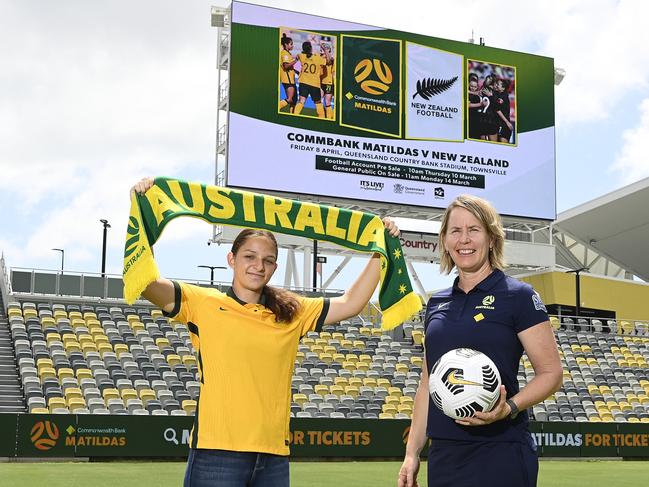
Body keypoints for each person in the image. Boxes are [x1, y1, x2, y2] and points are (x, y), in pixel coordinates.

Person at [130, 177, 399, 487]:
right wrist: (142, 211)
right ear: (231, 259)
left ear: (274, 267)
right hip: (217, 452)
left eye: (268, 260)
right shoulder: (203, 302)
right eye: (249, 257)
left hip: (273, 455)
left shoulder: (292, 310)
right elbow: (146, 284)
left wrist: (382, 249)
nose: (258, 266)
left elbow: (351, 303)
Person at [398, 194, 562, 487]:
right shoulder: (436, 302)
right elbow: (426, 384)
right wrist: (412, 453)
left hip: (502, 451)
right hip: (445, 455)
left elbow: (551, 373)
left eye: (474, 230)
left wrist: (509, 408)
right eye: (455, 231)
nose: (464, 239)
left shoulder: (519, 296)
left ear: (491, 237)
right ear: (445, 241)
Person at [293, 41, 328, 118]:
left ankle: (294, 117)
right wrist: (325, 51)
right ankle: (321, 118)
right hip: (314, 84)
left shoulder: (301, 56)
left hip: (303, 82)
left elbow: (296, 59)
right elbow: (328, 61)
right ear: (311, 48)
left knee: (301, 102)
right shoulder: (318, 58)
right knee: (318, 103)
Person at [278, 33, 297, 113]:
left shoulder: (287, 53)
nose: (292, 46)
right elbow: (286, 66)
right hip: (288, 79)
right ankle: (275, 107)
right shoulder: (285, 54)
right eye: (291, 44)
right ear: (286, 44)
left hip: (290, 79)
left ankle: (292, 115)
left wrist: (296, 71)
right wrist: (296, 60)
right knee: (290, 99)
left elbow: (288, 66)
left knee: (294, 100)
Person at [493, 78, 513, 144]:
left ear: (503, 88)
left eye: (498, 84)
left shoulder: (504, 96)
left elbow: (497, 110)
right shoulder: (496, 93)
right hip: (499, 124)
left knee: (503, 146)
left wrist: (507, 122)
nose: (496, 85)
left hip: (504, 125)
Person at [320, 42, 335, 120]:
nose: (322, 50)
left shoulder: (331, 58)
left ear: (328, 50)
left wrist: (325, 50)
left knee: (327, 102)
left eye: (324, 49)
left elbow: (329, 61)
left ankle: (329, 118)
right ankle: (322, 116)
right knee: (318, 100)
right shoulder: (320, 57)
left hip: (329, 83)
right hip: (321, 82)